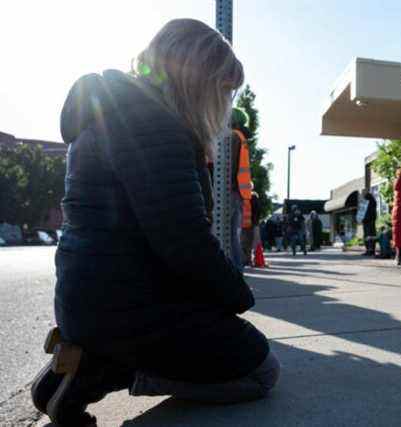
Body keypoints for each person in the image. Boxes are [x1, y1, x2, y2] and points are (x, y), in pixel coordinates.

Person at [32, 19, 279, 425]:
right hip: (123, 307)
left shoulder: (117, 112)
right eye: (222, 91)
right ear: (198, 79)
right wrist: (238, 296)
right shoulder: (153, 125)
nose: (224, 104)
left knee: (225, 337)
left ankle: (85, 362)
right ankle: (100, 371)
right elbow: (184, 241)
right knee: (259, 368)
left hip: (93, 299)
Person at [229, 107, 253, 271]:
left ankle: (236, 271)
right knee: (232, 235)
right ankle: (237, 271)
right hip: (238, 192)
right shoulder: (241, 137)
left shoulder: (232, 136)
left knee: (228, 236)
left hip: (230, 191)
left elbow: (227, 166)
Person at [361, 189, 378, 256]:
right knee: (369, 235)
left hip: (368, 220)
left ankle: (370, 250)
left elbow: (366, 211)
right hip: (369, 220)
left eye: (362, 193)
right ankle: (370, 250)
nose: (362, 194)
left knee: (368, 235)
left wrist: (363, 218)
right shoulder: (371, 200)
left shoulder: (368, 200)